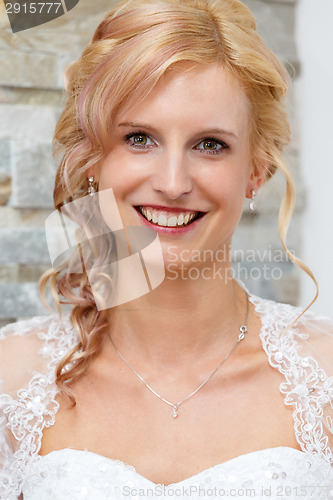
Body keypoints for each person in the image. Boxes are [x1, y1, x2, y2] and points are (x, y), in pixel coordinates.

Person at [1, 0, 333, 498]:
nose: (174, 183)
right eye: (139, 138)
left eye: (210, 144)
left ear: (256, 172)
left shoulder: (324, 377)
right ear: (92, 161)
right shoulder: (12, 379)